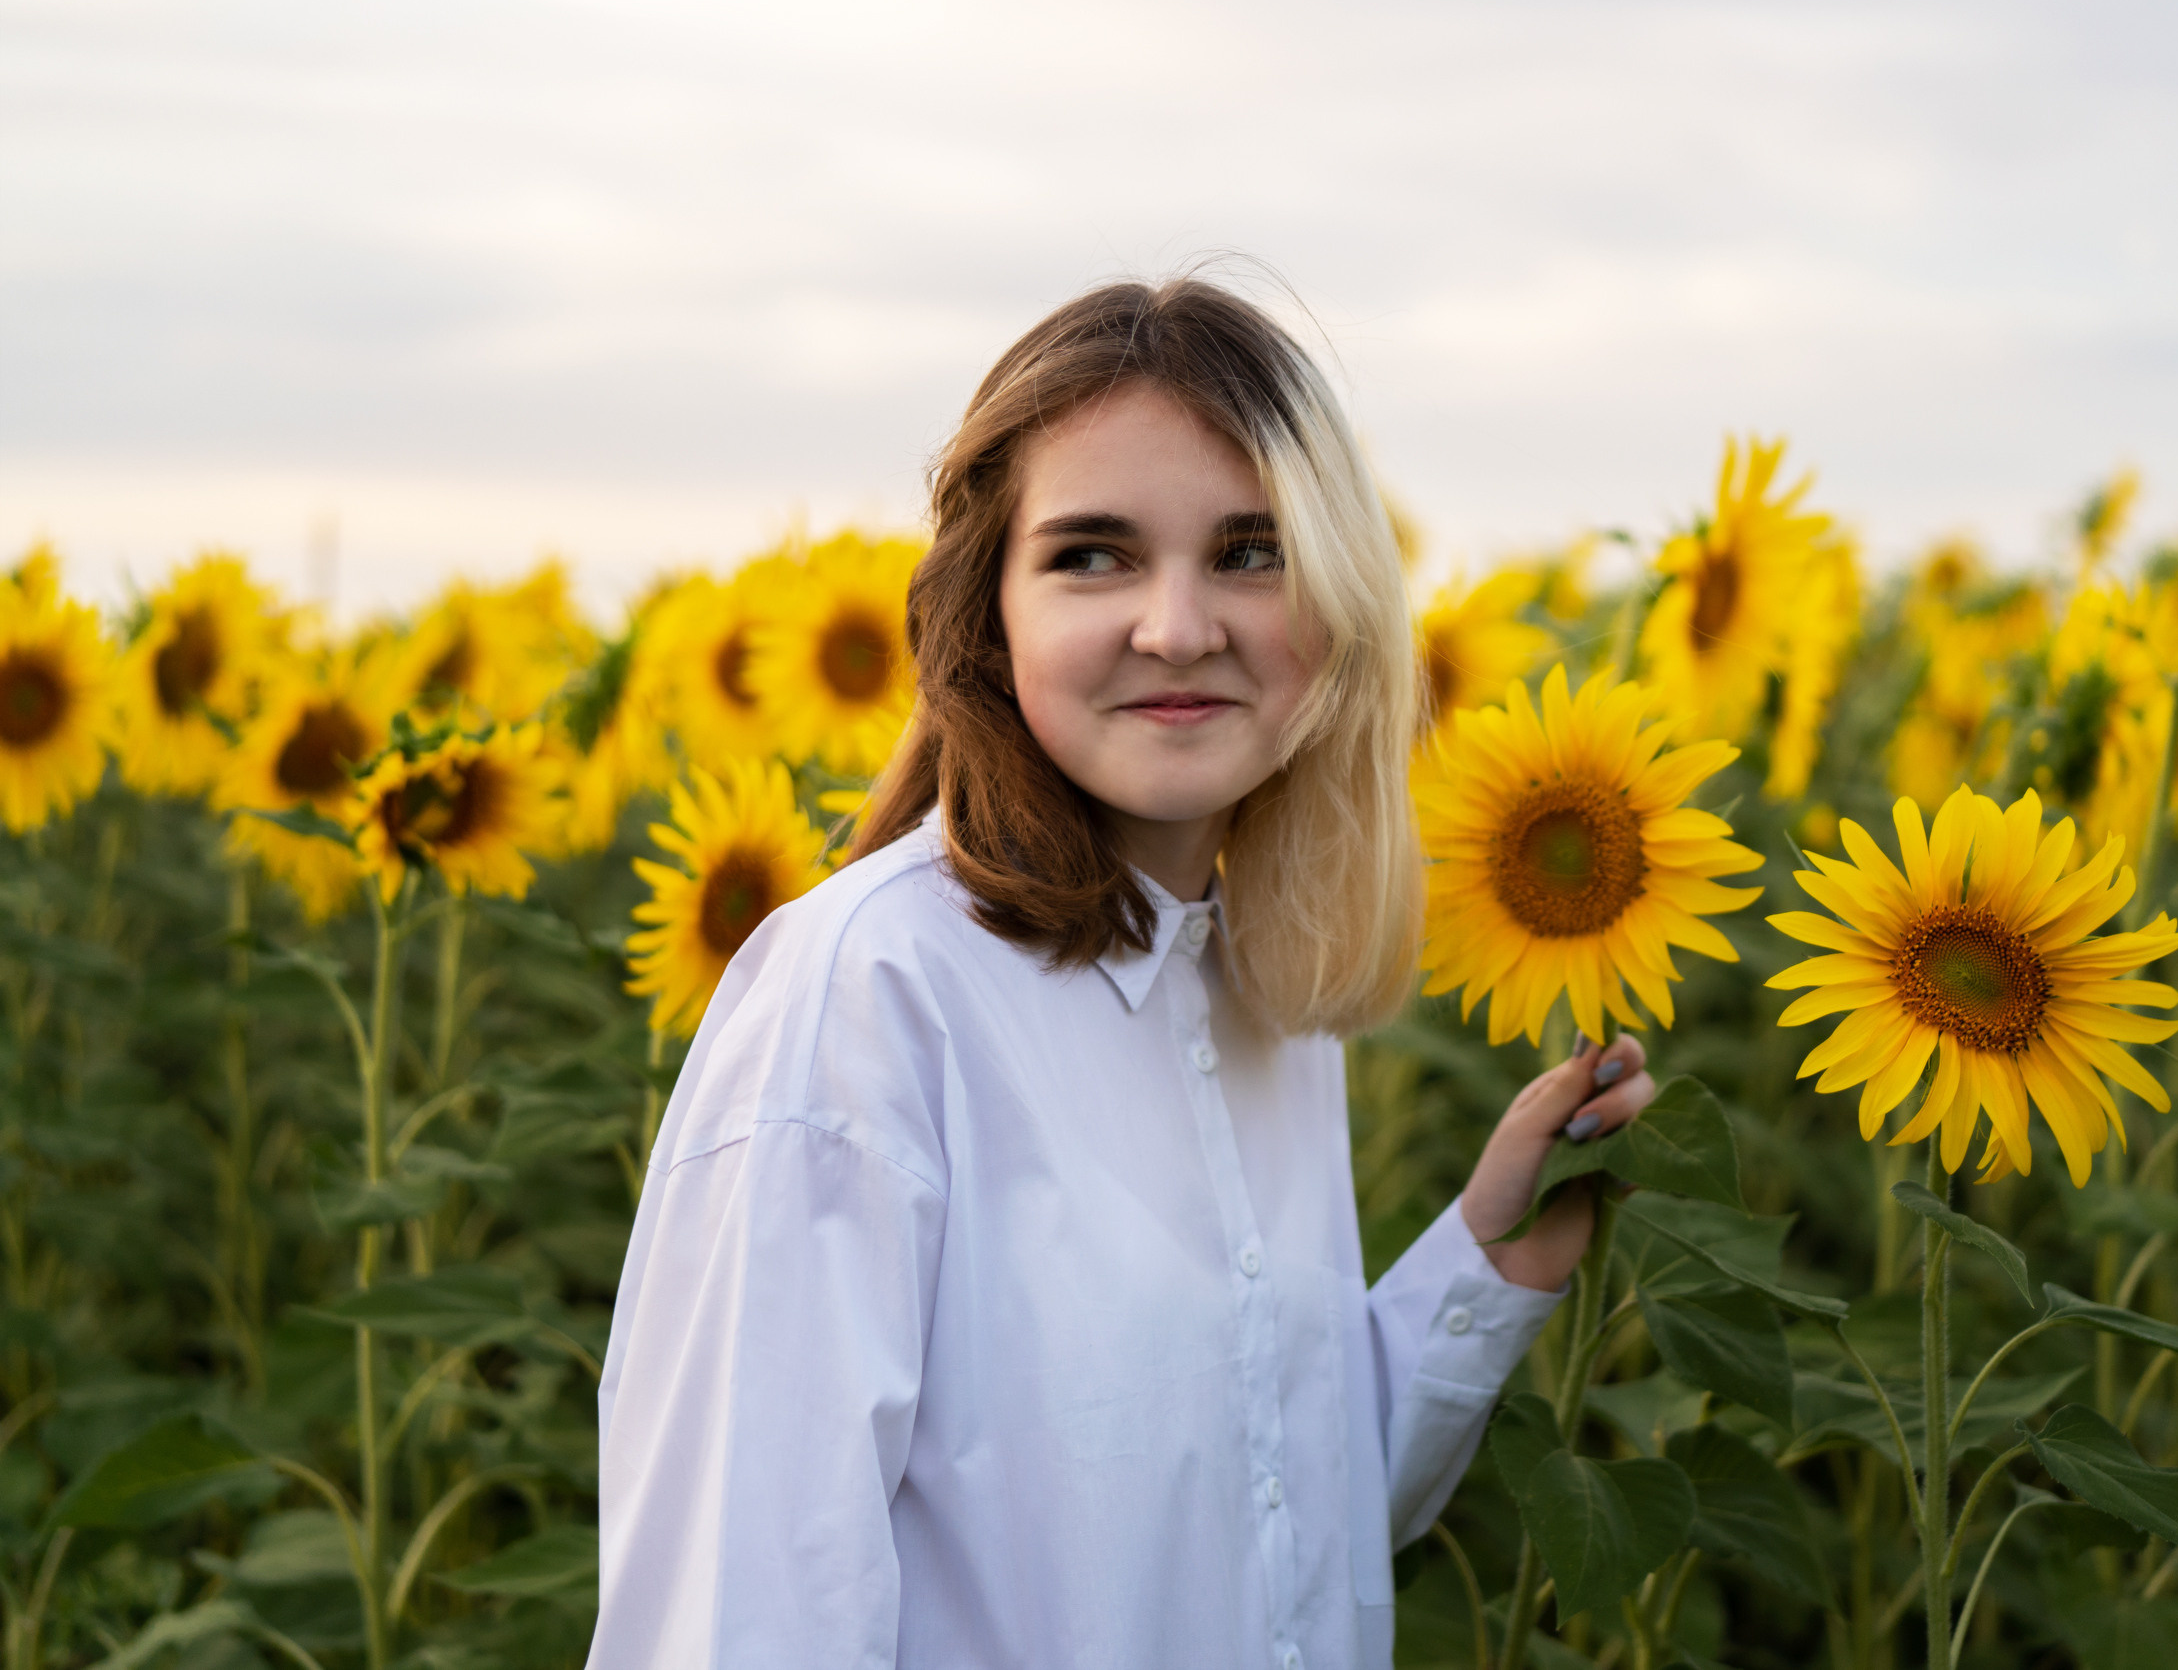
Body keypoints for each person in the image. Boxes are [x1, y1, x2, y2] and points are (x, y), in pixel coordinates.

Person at [586, 278, 1658, 1669]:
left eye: (1250, 552)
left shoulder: (1265, 987)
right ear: (989, 612)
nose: (1177, 625)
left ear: (1338, 601)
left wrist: (1489, 1261)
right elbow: (738, 1620)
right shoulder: (866, 999)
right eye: (1093, 555)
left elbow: (1272, 1528)